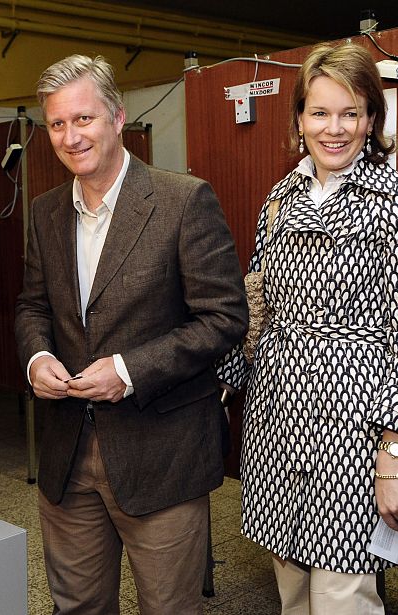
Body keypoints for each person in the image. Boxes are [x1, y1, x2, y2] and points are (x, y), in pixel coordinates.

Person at [14, 54, 248, 614]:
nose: (71, 137)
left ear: (118, 118)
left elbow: (224, 318)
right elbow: (32, 306)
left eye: (83, 119)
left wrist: (127, 371)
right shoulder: (46, 213)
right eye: (57, 124)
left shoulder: (182, 200)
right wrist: (37, 356)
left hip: (160, 454)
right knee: (77, 605)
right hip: (67, 455)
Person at [217, 42, 398, 614]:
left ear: (372, 119)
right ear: (298, 119)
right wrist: (218, 382)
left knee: (344, 600)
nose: (334, 128)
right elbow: (256, 298)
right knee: (293, 593)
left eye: (350, 112)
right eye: (319, 113)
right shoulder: (281, 197)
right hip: (275, 424)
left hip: (355, 433)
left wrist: (393, 454)